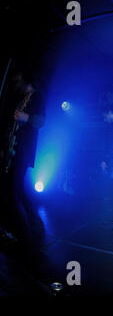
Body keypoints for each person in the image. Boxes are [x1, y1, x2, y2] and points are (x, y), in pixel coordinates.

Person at [0, 70, 46, 250]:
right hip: (14, 149)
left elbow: (41, 121)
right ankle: (34, 224)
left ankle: (22, 233)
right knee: (17, 189)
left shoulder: (37, 97)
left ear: (26, 79)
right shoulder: (23, 98)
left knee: (12, 190)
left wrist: (26, 117)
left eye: (18, 79)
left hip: (23, 151)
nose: (15, 82)